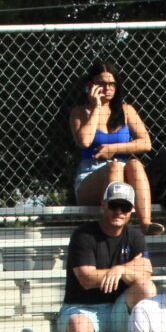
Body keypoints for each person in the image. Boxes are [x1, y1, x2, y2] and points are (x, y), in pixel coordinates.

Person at [56, 182, 153, 332]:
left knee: (147, 288)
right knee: (79, 326)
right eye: (113, 205)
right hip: (81, 309)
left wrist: (121, 269)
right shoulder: (83, 235)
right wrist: (130, 268)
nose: (119, 211)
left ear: (132, 210)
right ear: (103, 205)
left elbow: (146, 272)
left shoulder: (135, 236)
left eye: (124, 206)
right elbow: (87, 279)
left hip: (118, 311)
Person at [67, 61, 156, 228]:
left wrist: (113, 149)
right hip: (90, 175)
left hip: (123, 173)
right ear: (90, 85)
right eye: (101, 83)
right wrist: (96, 107)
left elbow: (146, 143)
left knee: (135, 164)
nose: (107, 88)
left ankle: (146, 224)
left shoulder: (126, 110)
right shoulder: (79, 112)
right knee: (113, 167)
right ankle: (111, 227)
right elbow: (84, 141)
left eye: (112, 84)